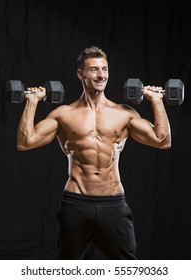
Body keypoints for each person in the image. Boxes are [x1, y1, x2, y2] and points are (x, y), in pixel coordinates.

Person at [16, 46, 171, 260]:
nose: (101, 75)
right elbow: (26, 142)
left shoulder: (124, 113)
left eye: (104, 69)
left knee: (128, 270)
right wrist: (31, 103)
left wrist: (156, 101)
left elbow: (162, 141)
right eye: (94, 70)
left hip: (114, 204)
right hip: (75, 203)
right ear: (81, 74)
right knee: (66, 270)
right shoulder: (64, 114)